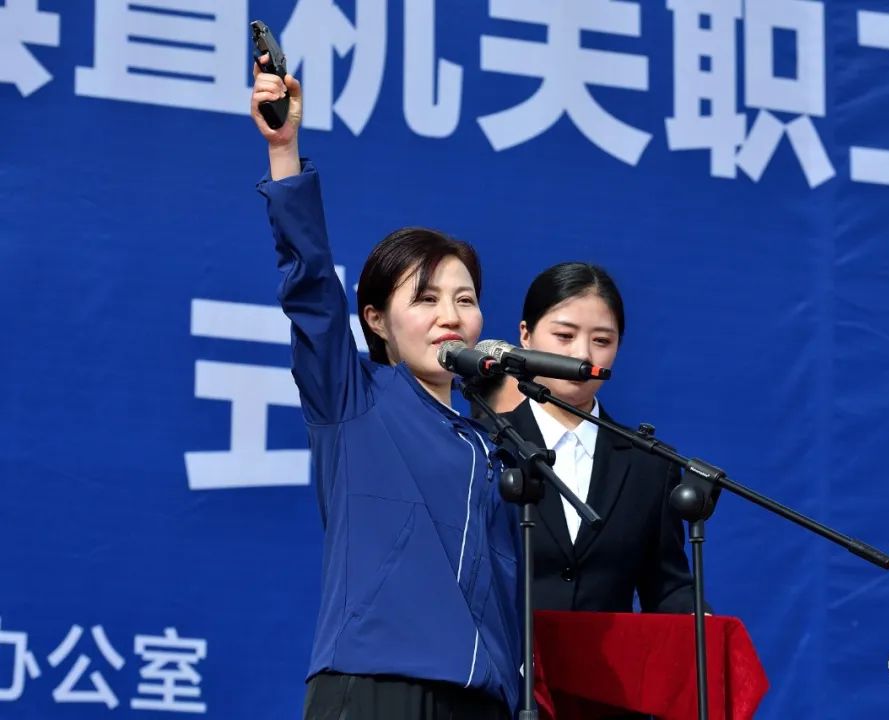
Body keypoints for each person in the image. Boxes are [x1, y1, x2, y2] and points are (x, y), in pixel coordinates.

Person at [250, 58, 519, 719]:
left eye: (464, 299)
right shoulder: (355, 399)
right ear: (375, 320)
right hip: (376, 683)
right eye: (425, 299)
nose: (450, 315)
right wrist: (284, 151)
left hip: (482, 699)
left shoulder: (491, 443)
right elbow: (312, 290)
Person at [501, 262, 699, 613]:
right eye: (565, 336)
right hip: (507, 649)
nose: (583, 355)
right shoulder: (485, 444)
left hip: (609, 651)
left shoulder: (650, 465)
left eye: (602, 341)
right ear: (525, 335)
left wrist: (701, 619)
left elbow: (667, 588)